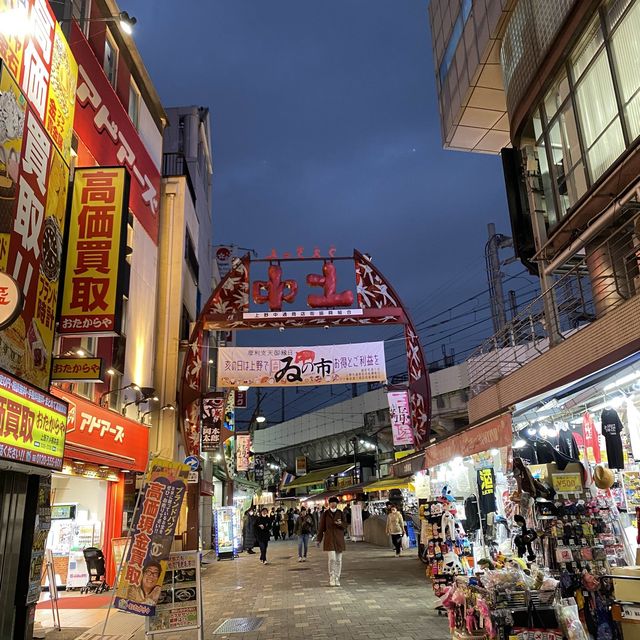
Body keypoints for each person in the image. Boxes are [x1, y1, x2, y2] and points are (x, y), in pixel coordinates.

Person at [317, 496, 346, 586]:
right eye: (332, 503)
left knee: (339, 560)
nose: (333, 504)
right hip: (329, 539)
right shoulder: (325, 514)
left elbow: (345, 526)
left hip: (339, 539)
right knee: (332, 559)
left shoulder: (340, 513)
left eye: (335, 503)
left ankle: (337, 577)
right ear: (329, 504)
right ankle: (332, 577)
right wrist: (319, 539)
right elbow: (321, 527)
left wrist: (340, 524)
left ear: (337, 504)